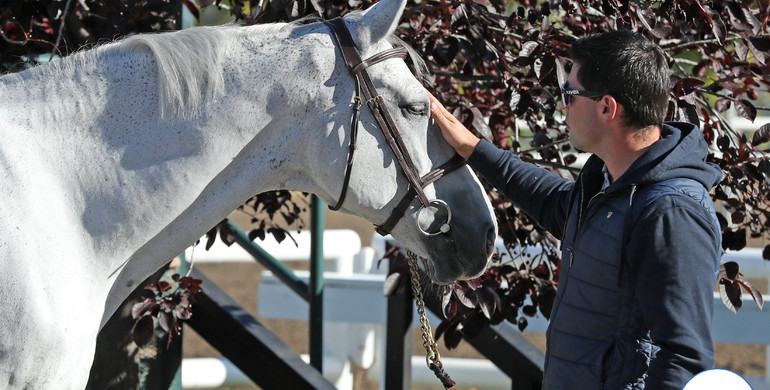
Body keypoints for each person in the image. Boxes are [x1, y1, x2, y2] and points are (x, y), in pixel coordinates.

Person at [428, 30, 723, 389]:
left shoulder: (672, 213)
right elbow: (552, 201)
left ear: (606, 108)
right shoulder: (607, 184)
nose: (561, 104)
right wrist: (473, 147)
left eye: (569, 94)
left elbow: (684, 358)